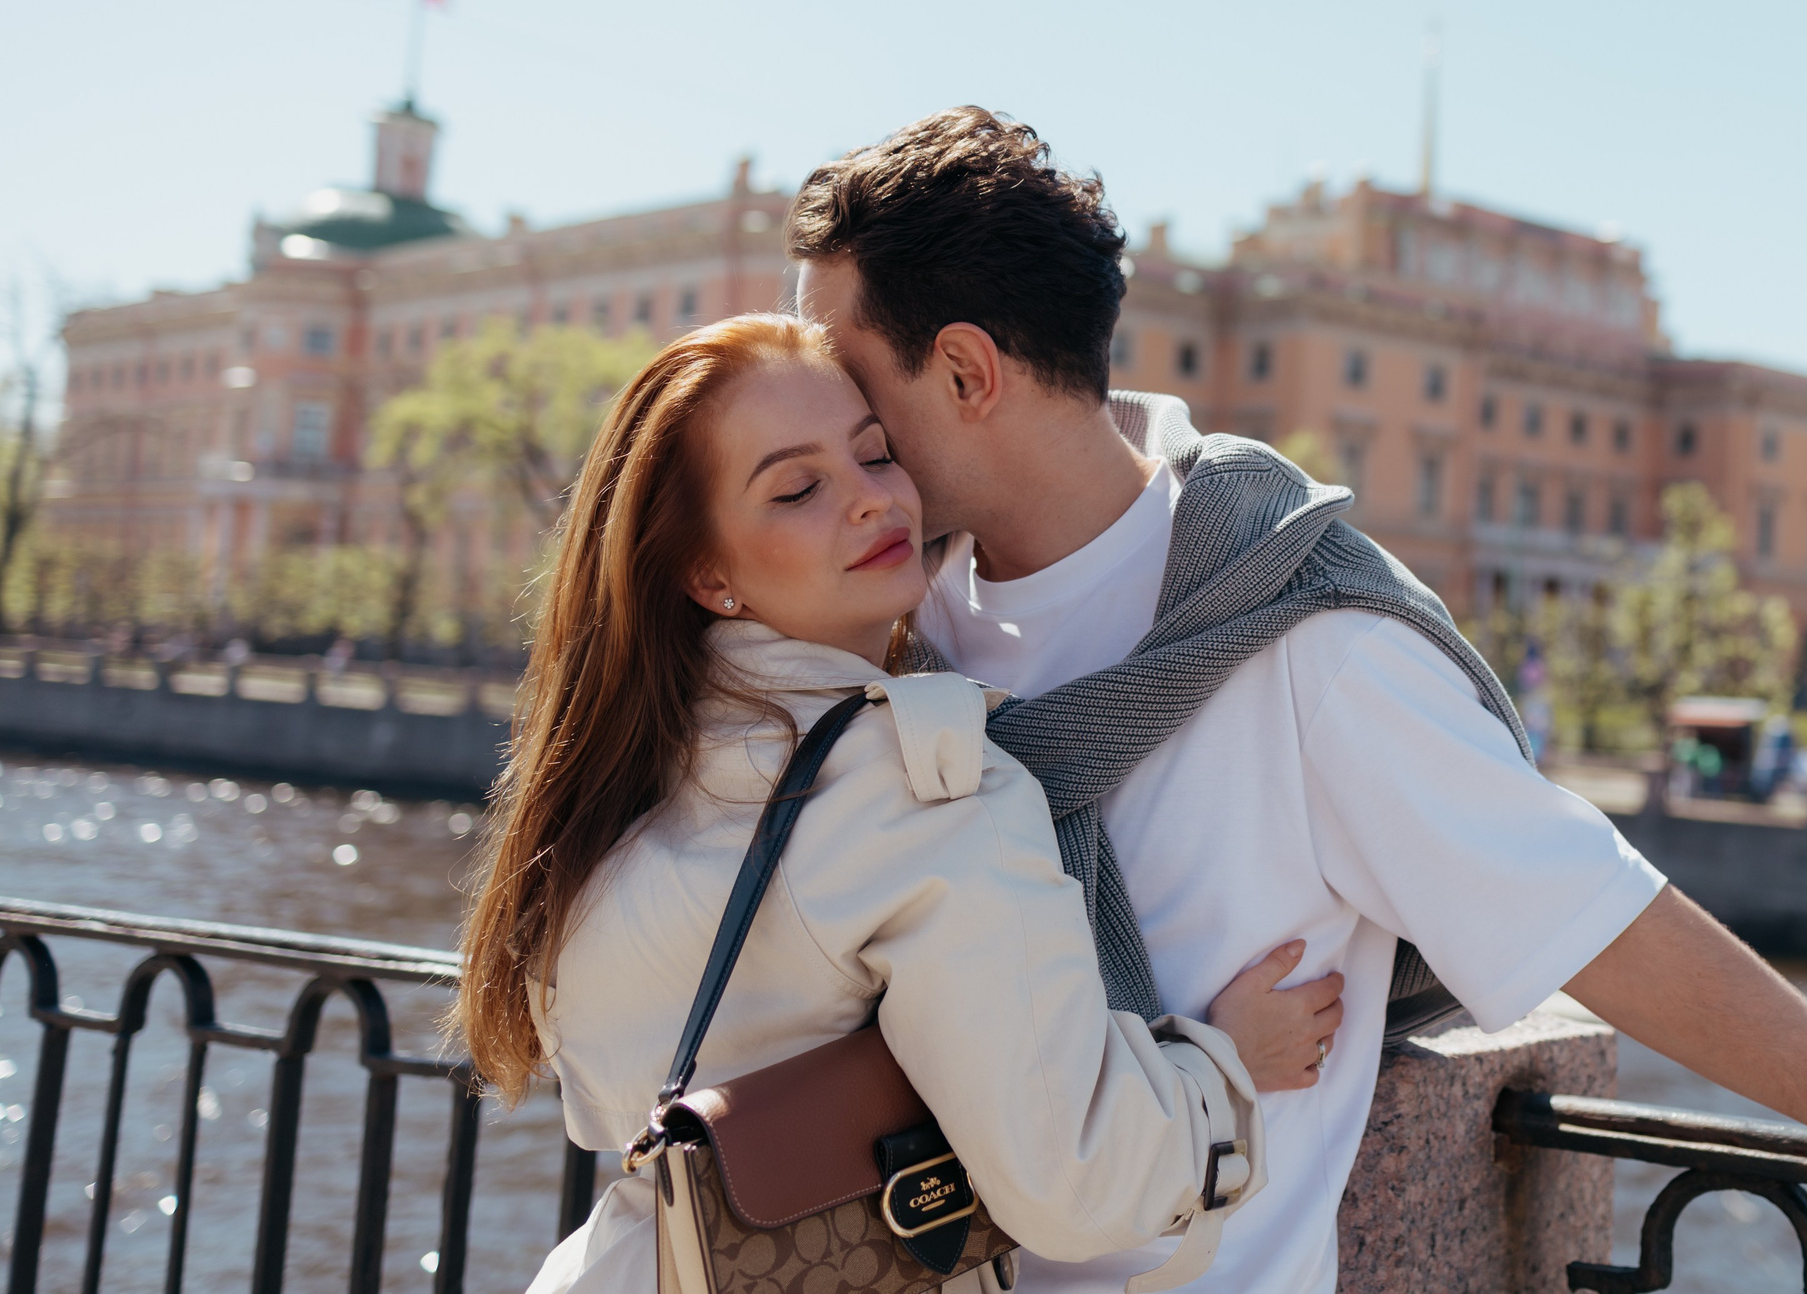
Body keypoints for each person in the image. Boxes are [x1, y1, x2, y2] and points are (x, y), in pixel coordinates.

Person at [791, 107, 1807, 1294]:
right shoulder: (885, 615)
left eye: (848, 382)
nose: (821, 424)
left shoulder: (1309, 641)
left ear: (967, 370)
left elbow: (1601, 916)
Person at [451, 316, 1339, 1292]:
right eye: (798, 489)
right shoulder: (919, 788)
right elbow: (1076, 1186)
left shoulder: (616, 784)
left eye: (877, 454)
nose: (872, 500)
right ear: (707, 575)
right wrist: (1223, 1066)